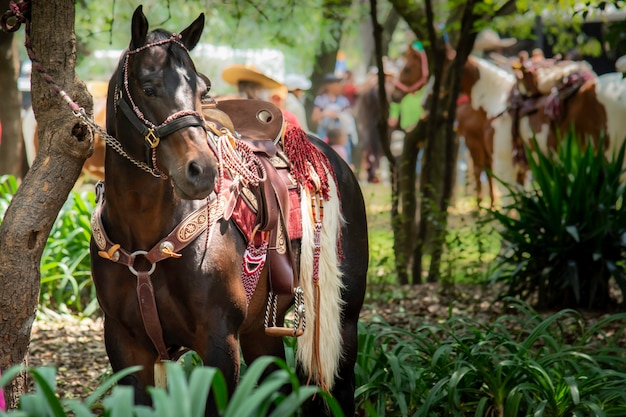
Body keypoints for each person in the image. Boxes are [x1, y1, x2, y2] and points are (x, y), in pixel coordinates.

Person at [311, 73, 357, 164]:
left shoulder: (343, 101)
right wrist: (325, 113)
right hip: (325, 135)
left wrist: (338, 115)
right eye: (336, 83)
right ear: (328, 85)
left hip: (340, 137)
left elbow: (348, 118)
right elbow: (314, 118)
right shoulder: (321, 100)